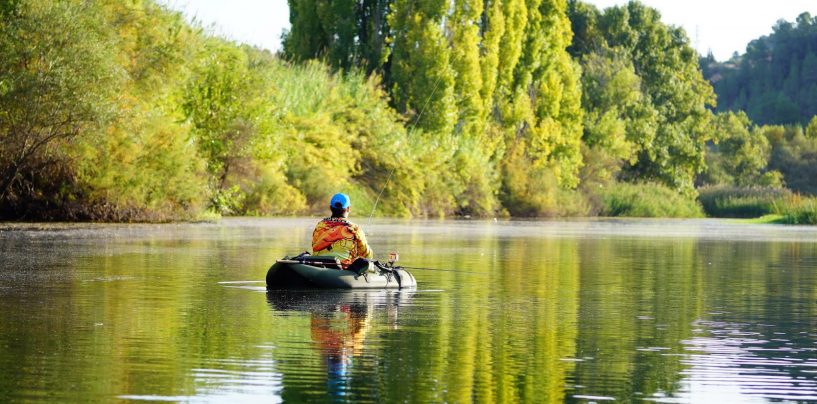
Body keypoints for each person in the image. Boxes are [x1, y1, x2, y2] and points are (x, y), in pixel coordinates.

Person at [312, 193, 373, 269]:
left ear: (330, 208)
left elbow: (314, 247)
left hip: (319, 266)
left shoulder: (320, 225)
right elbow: (367, 255)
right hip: (344, 270)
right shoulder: (354, 228)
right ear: (348, 208)